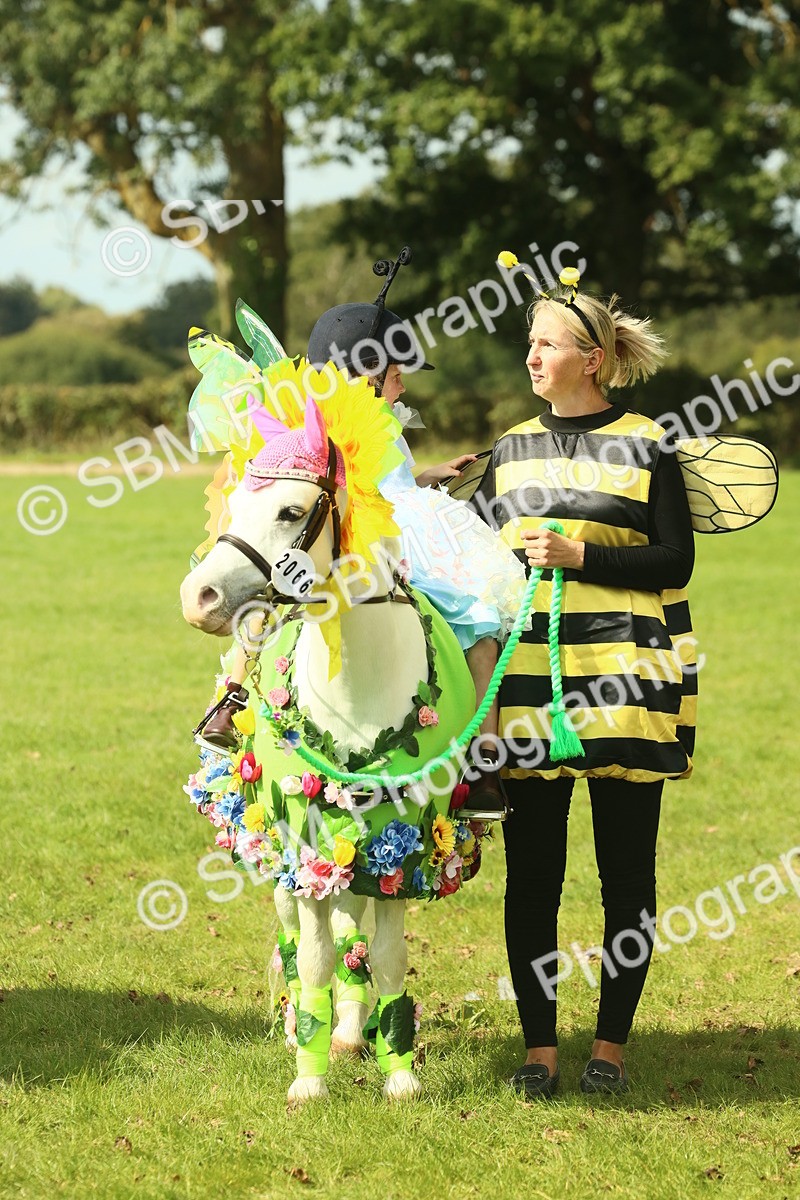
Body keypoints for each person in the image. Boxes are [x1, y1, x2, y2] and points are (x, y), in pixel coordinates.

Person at [471, 268, 695, 1097]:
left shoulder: (648, 441)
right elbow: (481, 580)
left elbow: (677, 559)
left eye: (546, 344)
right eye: (528, 342)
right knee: (533, 876)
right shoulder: (507, 449)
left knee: (625, 876)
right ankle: (539, 1050)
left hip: (629, 687)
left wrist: (584, 556)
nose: (531, 356)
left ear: (591, 359)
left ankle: (611, 1045)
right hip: (530, 691)